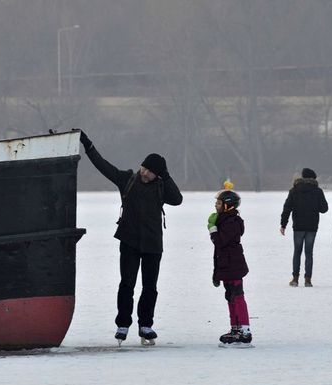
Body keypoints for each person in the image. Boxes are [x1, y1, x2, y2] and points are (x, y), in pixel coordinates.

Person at [78, 130, 183, 345]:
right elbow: (103, 166)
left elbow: (178, 199)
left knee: (150, 287)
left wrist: (166, 175)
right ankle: (123, 324)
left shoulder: (162, 187)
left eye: (151, 172)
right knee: (127, 283)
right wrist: (88, 146)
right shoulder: (127, 179)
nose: (145, 174)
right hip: (129, 241)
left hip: (153, 244)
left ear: (158, 174)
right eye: (144, 169)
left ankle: (146, 325)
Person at [208, 189, 252, 346]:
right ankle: (235, 328)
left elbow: (220, 242)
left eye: (219, 203)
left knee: (238, 296)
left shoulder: (231, 222)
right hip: (226, 265)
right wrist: (216, 273)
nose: (216, 206)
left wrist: (212, 229)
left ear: (228, 206)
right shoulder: (224, 220)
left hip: (233, 265)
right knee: (230, 297)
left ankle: (245, 331)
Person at [280, 168, 328, 287]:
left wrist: (283, 224)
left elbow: (287, 208)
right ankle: (308, 280)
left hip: (298, 226)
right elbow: (324, 209)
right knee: (309, 253)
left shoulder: (294, 190)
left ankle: (295, 279)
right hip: (312, 226)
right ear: (313, 178)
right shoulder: (318, 191)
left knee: (297, 252)